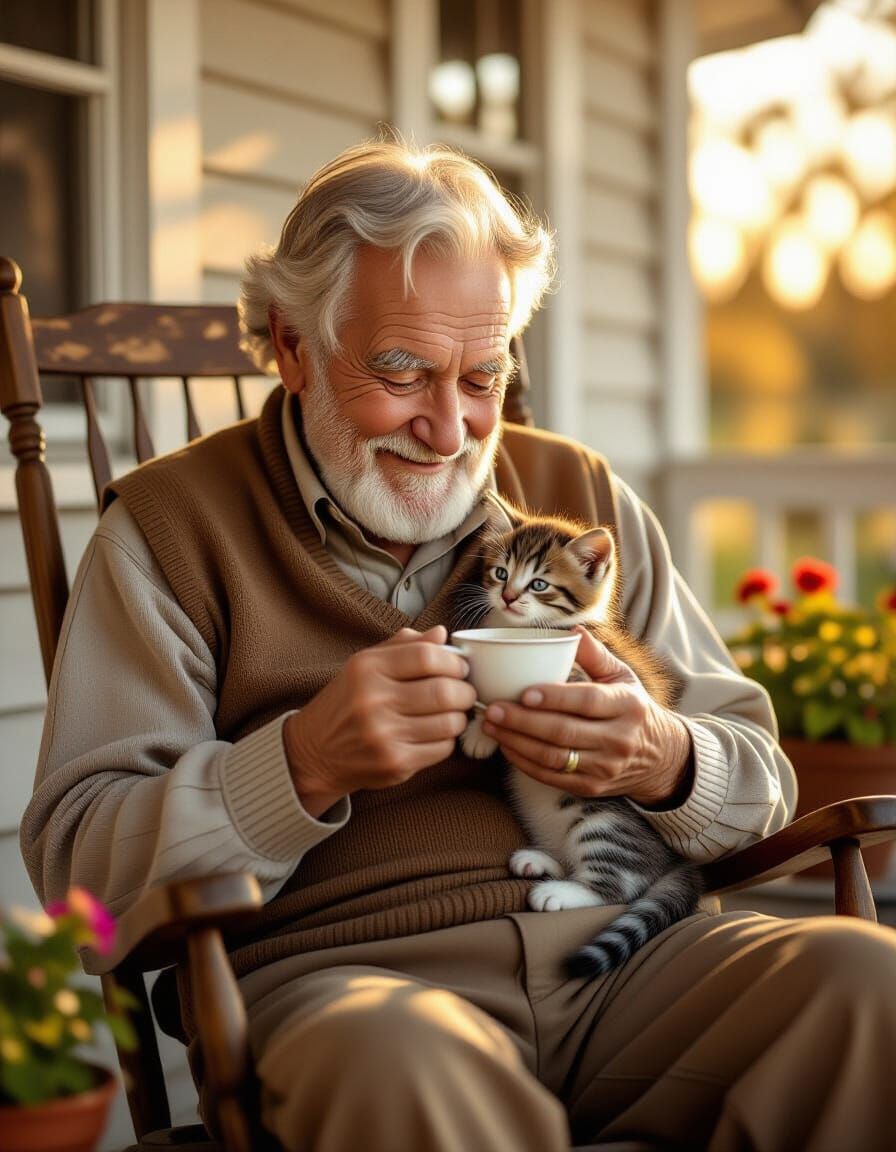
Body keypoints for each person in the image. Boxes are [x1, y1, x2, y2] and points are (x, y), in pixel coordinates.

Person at [21, 139, 896, 1152]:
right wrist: (299, 764)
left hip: (626, 966)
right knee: (401, 1063)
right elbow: (81, 871)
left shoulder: (579, 506)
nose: (447, 428)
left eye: (481, 376)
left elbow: (758, 781)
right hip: (349, 987)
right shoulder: (172, 532)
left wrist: (660, 758)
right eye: (402, 373)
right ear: (293, 345)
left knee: (863, 985)